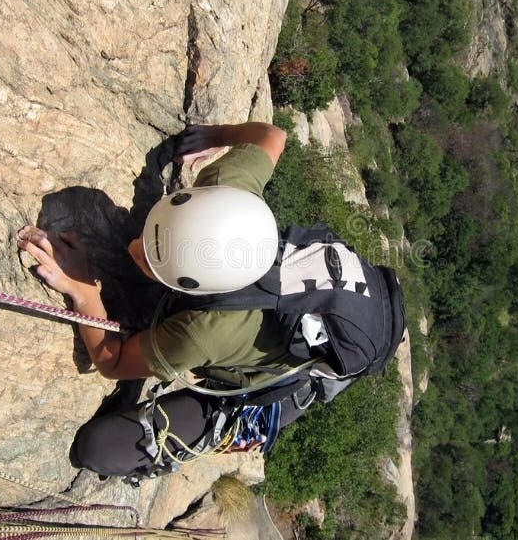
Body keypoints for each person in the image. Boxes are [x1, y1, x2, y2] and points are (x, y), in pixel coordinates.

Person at [18, 122, 309, 477]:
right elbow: (273, 136)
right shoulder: (225, 187)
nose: (132, 248)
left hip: (278, 374)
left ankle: (232, 431)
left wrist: (82, 289)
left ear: (192, 289)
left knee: (98, 448)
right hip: (292, 296)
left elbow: (112, 361)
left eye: (151, 262)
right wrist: (214, 138)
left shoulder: (203, 332)